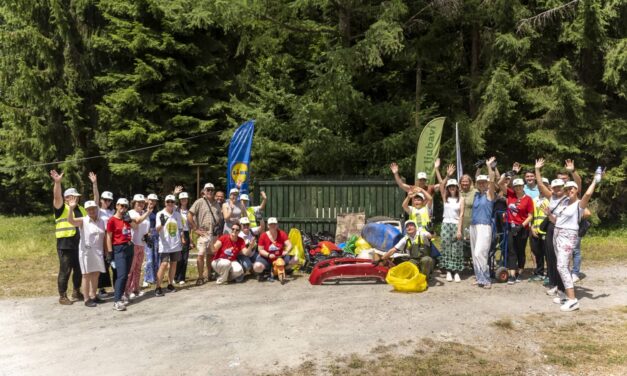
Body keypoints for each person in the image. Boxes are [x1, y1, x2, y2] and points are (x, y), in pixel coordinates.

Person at [547, 175, 599, 312]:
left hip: (568, 236)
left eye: (572, 188)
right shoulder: (564, 204)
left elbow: (588, 193)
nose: (569, 190)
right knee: (563, 265)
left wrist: (595, 179)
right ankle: (565, 295)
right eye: (567, 188)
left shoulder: (579, 204)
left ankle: (573, 300)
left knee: (562, 266)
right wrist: (548, 214)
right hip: (557, 234)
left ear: (576, 190)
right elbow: (556, 221)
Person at [50, 169, 99, 305]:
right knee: (65, 270)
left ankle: (76, 291)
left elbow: (95, 204)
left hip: (80, 244)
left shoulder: (82, 209)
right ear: (66, 198)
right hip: (65, 243)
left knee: (79, 269)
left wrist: (94, 185)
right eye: (72, 196)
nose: (75, 198)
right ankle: (62, 295)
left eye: (76, 196)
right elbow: (56, 197)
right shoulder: (61, 207)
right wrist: (57, 183)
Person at [535, 159, 569, 296]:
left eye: (560, 187)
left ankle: (563, 286)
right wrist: (537, 169)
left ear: (564, 186)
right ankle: (554, 284)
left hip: (564, 231)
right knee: (550, 258)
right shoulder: (551, 196)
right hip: (551, 229)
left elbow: (578, 184)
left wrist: (572, 171)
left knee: (561, 259)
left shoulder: (569, 197)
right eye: (555, 187)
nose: (557, 189)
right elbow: (540, 184)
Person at [66, 198, 106, 307]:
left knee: (96, 273)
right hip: (86, 252)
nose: (91, 211)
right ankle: (86, 298)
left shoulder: (101, 221)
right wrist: (71, 208)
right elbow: (70, 221)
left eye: (93, 208)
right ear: (86, 210)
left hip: (98, 251)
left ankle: (93, 295)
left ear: (96, 209)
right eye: (89, 209)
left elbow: (104, 236)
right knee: (86, 275)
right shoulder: (83, 220)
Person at [498, 176, 533, 284]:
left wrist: (521, 226)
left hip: (522, 228)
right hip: (510, 226)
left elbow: (530, 215)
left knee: (520, 251)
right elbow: (499, 183)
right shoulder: (511, 195)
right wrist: (508, 174)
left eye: (520, 186)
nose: (518, 188)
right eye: (516, 186)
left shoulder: (528, 199)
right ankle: (512, 275)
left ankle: (520, 272)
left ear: (523, 186)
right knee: (511, 250)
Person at [469, 158, 496, 289]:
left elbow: (492, 179)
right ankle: (479, 277)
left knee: (480, 252)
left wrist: (488, 166)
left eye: (483, 182)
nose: (481, 184)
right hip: (473, 225)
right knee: (474, 253)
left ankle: (486, 279)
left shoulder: (490, 194)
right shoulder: (476, 195)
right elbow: (475, 178)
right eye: (479, 183)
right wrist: (479, 168)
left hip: (485, 226)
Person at [434, 167, 465, 282]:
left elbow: (461, 214)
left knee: (456, 248)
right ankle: (448, 271)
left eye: (454, 187)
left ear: (457, 188)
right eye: (450, 187)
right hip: (446, 224)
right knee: (446, 247)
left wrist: (459, 230)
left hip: (456, 224)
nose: (452, 188)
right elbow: (441, 185)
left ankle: (456, 272)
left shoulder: (461, 199)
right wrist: (445, 174)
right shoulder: (445, 198)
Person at [188, 183, 222, 285]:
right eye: (208, 189)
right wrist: (195, 228)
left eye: (212, 190)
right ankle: (200, 276)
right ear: (204, 191)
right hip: (203, 233)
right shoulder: (199, 202)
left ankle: (209, 274)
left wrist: (217, 227)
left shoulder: (217, 204)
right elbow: (190, 215)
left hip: (213, 233)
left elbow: (219, 217)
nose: (210, 191)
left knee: (210, 255)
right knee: (201, 254)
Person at [106, 198, 134, 311]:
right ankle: (116, 301)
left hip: (129, 247)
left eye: (125, 206)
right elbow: (108, 236)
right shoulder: (112, 220)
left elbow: (136, 227)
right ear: (117, 206)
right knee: (121, 275)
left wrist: (130, 221)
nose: (123, 208)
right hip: (119, 248)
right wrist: (109, 252)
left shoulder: (127, 219)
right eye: (121, 206)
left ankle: (121, 295)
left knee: (126, 274)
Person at [154, 195, 185, 296]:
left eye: (172, 202)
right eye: (168, 202)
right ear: (165, 203)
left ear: (174, 203)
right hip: (165, 244)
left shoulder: (177, 214)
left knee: (174, 264)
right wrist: (162, 224)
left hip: (175, 244)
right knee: (163, 265)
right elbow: (157, 230)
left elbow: (180, 229)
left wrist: (182, 239)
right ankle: (158, 287)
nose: (170, 203)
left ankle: (170, 284)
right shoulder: (160, 214)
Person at [125, 194, 153, 299]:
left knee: (138, 268)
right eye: (138, 202)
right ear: (134, 203)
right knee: (131, 269)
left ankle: (136, 289)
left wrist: (147, 235)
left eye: (142, 203)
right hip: (133, 243)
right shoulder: (131, 212)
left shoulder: (144, 213)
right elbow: (137, 221)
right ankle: (127, 291)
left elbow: (146, 227)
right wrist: (148, 212)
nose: (140, 204)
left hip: (142, 244)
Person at [528, 178, 550, 282]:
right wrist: (532, 228)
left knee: (548, 253)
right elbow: (531, 216)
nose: (542, 188)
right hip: (535, 231)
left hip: (547, 231)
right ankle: (539, 273)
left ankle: (550, 275)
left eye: (545, 185)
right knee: (538, 253)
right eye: (541, 186)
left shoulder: (551, 199)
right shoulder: (534, 200)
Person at [97, 191, 115, 298]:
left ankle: (116, 286)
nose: (107, 202)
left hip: (113, 239)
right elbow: (95, 198)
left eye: (109, 200)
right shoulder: (98, 211)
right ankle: (101, 288)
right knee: (103, 264)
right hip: (102, 239)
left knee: (114, 264)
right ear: (101, 200)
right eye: (105, 200)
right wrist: (94, 184)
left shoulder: (112, 211)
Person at [174, 191, 192, 285]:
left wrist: (191, 239)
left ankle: (182, 277)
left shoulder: (190, 211)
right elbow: (169, 202)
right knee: (178, 257)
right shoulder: (176, 210)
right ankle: (175, 276)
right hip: (177, 233)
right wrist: (175, 193)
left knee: (185, 257)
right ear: (179, 200)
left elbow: (191, 227)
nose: (183, 200)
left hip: (186, 233)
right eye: (182, 199)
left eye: (185, 199)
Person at [143, 193, 160, 288]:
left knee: (156, 257)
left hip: (156, 236)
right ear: (147, 200)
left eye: (154, 200)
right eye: (151, 200)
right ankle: (146, 278)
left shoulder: (157, 212)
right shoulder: (143, 211)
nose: (152, 202)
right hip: (147, 236)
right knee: (149, 259)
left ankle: (154, 277)